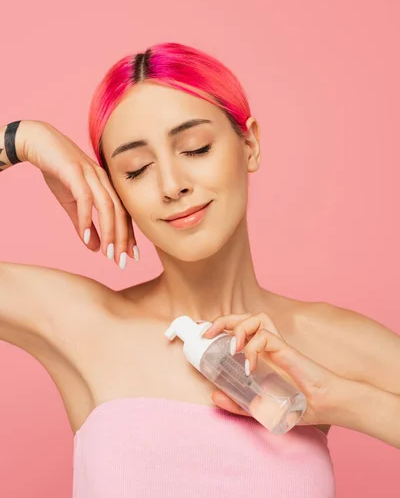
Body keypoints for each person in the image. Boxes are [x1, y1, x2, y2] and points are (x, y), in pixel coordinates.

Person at [0, 42, 399, 498]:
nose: (172, 185)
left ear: (249, 144)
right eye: (136, 169)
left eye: (195, 148)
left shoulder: (323, 341)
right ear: (111, 188)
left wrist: (339, 400)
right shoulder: (83, 325)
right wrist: (22, 140)